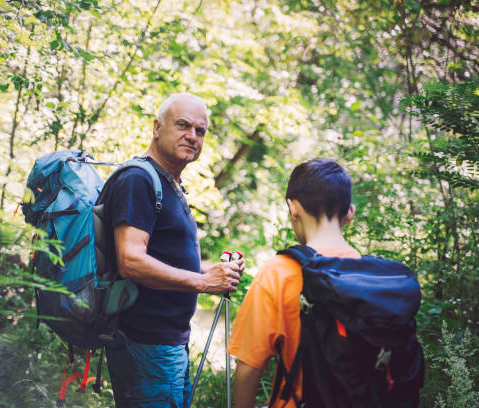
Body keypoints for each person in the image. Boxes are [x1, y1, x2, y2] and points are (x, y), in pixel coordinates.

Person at [102, 93, 245, 407]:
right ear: (157, 127)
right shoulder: (138, 180)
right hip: (145, 344)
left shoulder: (171, 184)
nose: (192, 136)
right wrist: (203, 282)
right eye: (183, 125)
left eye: (200, 131)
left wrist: (214, 272)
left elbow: (163, 259)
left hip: (167, 344)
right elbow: (131, 261)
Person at [227, 158, 360, 407]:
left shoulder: (279, 272)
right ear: (349, 213)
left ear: (293, 208)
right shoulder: (367, 272)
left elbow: (248, 367)